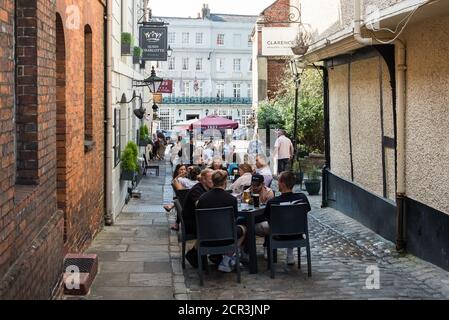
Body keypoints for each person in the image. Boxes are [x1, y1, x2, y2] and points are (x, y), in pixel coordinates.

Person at [255, 171, 311, 265]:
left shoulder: (273, 202)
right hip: (298, 233)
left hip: (278, 235)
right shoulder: (302, 198)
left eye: (278, 181)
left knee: (253, 227)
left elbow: (267, 218)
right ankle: (290, 253)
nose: (277, 183)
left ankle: (248, 254)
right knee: (290, 222)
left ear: (282, 183)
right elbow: (306, 211)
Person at [196, 170, 247, 273]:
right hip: (227, 237)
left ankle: (227, 259)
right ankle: (228, 258)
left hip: (206, 237)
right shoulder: (231, 199)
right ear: (225, 182)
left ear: (213, 181)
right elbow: (235, 218)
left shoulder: (202, 198)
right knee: (244, 228)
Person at [183, 169, 214, 268]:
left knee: (216, 226)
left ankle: (216, 255)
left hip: (201, 220)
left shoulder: (208, 189)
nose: (213, 182)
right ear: (203, 180)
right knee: (213, 229)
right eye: (211, 180)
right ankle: (194, 254)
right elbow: (200, 206)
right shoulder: (197, 189)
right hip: (191, 222)